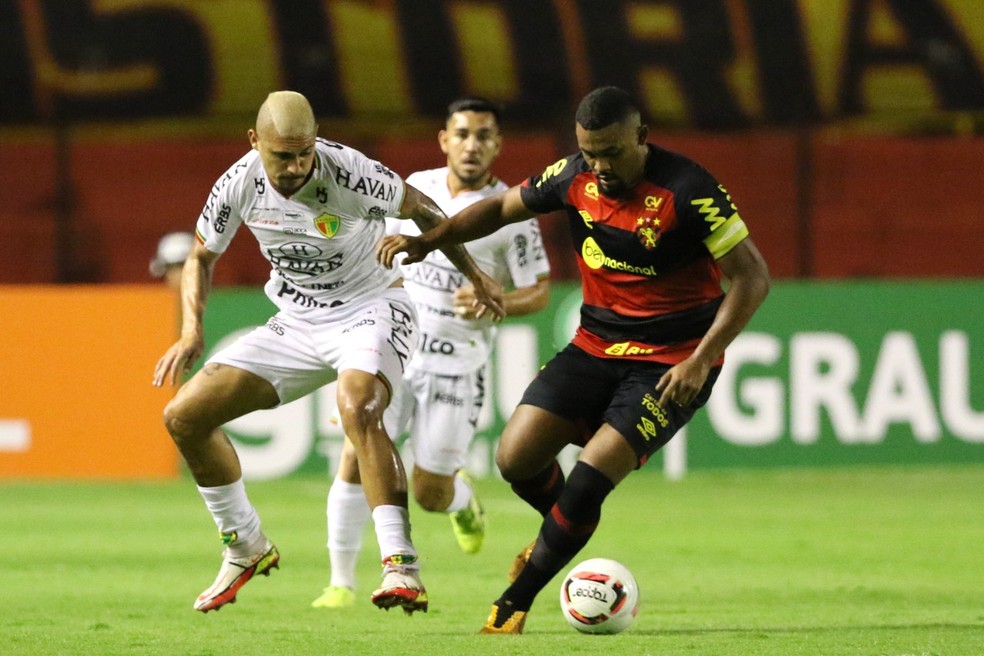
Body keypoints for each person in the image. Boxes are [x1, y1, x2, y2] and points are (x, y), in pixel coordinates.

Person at [377, 86, 771, 633]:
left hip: (670, 362)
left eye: (611, 152)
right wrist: (431, 240)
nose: (600, 165)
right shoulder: (572, 175)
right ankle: (560, 535)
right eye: (590, 152)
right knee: (516, 460)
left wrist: (702, 360)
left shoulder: (689, 190)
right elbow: (496, 209)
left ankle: (515, 599)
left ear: (641, 136)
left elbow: (752, 278)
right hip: (594, 345)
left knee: (588, 481)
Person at [151, 90, 504, 616]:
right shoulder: (237, 184)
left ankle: (400, 564)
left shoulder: (349, 173)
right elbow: (202, 256)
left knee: (358, 404)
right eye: (282, 156)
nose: (295, 167)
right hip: (296, 322)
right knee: (184, 415)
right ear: (255, 143)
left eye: (304, 153)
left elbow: (423, 209)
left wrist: (475, 275)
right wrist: (191, 331)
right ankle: (245, 544)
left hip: (373, 306)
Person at [312, 98, 551, 610]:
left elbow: (540, 291)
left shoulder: (512, 213)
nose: (472, 144)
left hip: (457, 369)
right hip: (394, 352)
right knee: (356, 454)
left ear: (497, 145)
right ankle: (340, 582)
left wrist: (499, 299)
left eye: (483, 135)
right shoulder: (413, 190)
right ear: (444, 140)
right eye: (462, 133)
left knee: (429, 493)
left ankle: (461, 499)